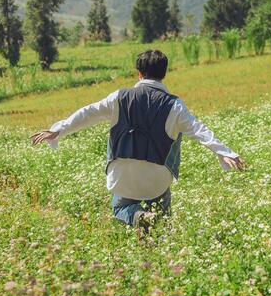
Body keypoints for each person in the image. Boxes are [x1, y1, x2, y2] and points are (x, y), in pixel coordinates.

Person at [31, 49, 246, 231]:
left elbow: (88, 113)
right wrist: (225, 152)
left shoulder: (119, 97)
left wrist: (58, 129)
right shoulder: (175, 105)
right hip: (157, 178)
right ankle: (157, 236)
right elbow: (199, 130)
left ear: (139, 73)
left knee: (120, 208)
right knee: (161, 216)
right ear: (164, 74)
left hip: (122, 176)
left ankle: (135, 216)